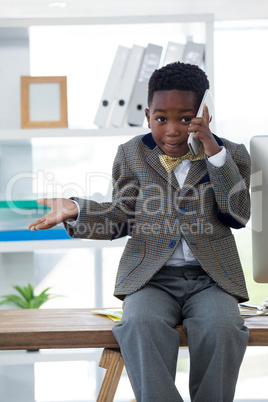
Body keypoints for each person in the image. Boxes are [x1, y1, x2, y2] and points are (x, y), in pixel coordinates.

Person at [28, 61, 251, 402]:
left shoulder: (230, 155)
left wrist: (214, 154)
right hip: (152, 278)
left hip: (211, 278)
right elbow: (121, 217)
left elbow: (239, 214)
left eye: (185, 118)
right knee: (139, 326)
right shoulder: (131, 154)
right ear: (148, 116)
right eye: (162, 119)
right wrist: (78, 208)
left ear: (204, 115)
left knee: (223, 328)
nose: (173, 130)